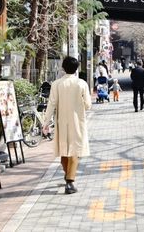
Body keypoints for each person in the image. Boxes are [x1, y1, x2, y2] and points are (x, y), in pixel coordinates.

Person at [42, 56, 91, 194]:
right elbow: (88, 105)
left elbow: (51, 104)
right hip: (77, 121)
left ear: (63, 68)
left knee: (64, 150)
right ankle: (70, 182)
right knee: (75, 150)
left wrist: (46, 122)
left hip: (61, 121)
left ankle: (68, 174)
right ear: (77, 69)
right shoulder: (81, 84)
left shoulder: (56, 84)